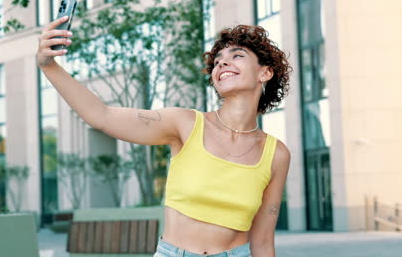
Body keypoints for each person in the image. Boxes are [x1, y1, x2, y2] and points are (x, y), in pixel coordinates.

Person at [36, 16, 292, 257]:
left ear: (265, 73)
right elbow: (101, 115)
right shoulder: (185, 124)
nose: (222, 63)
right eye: (217, 61)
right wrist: (49, 66)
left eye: (237, 56)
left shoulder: (276, 154)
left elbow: (262, 242)